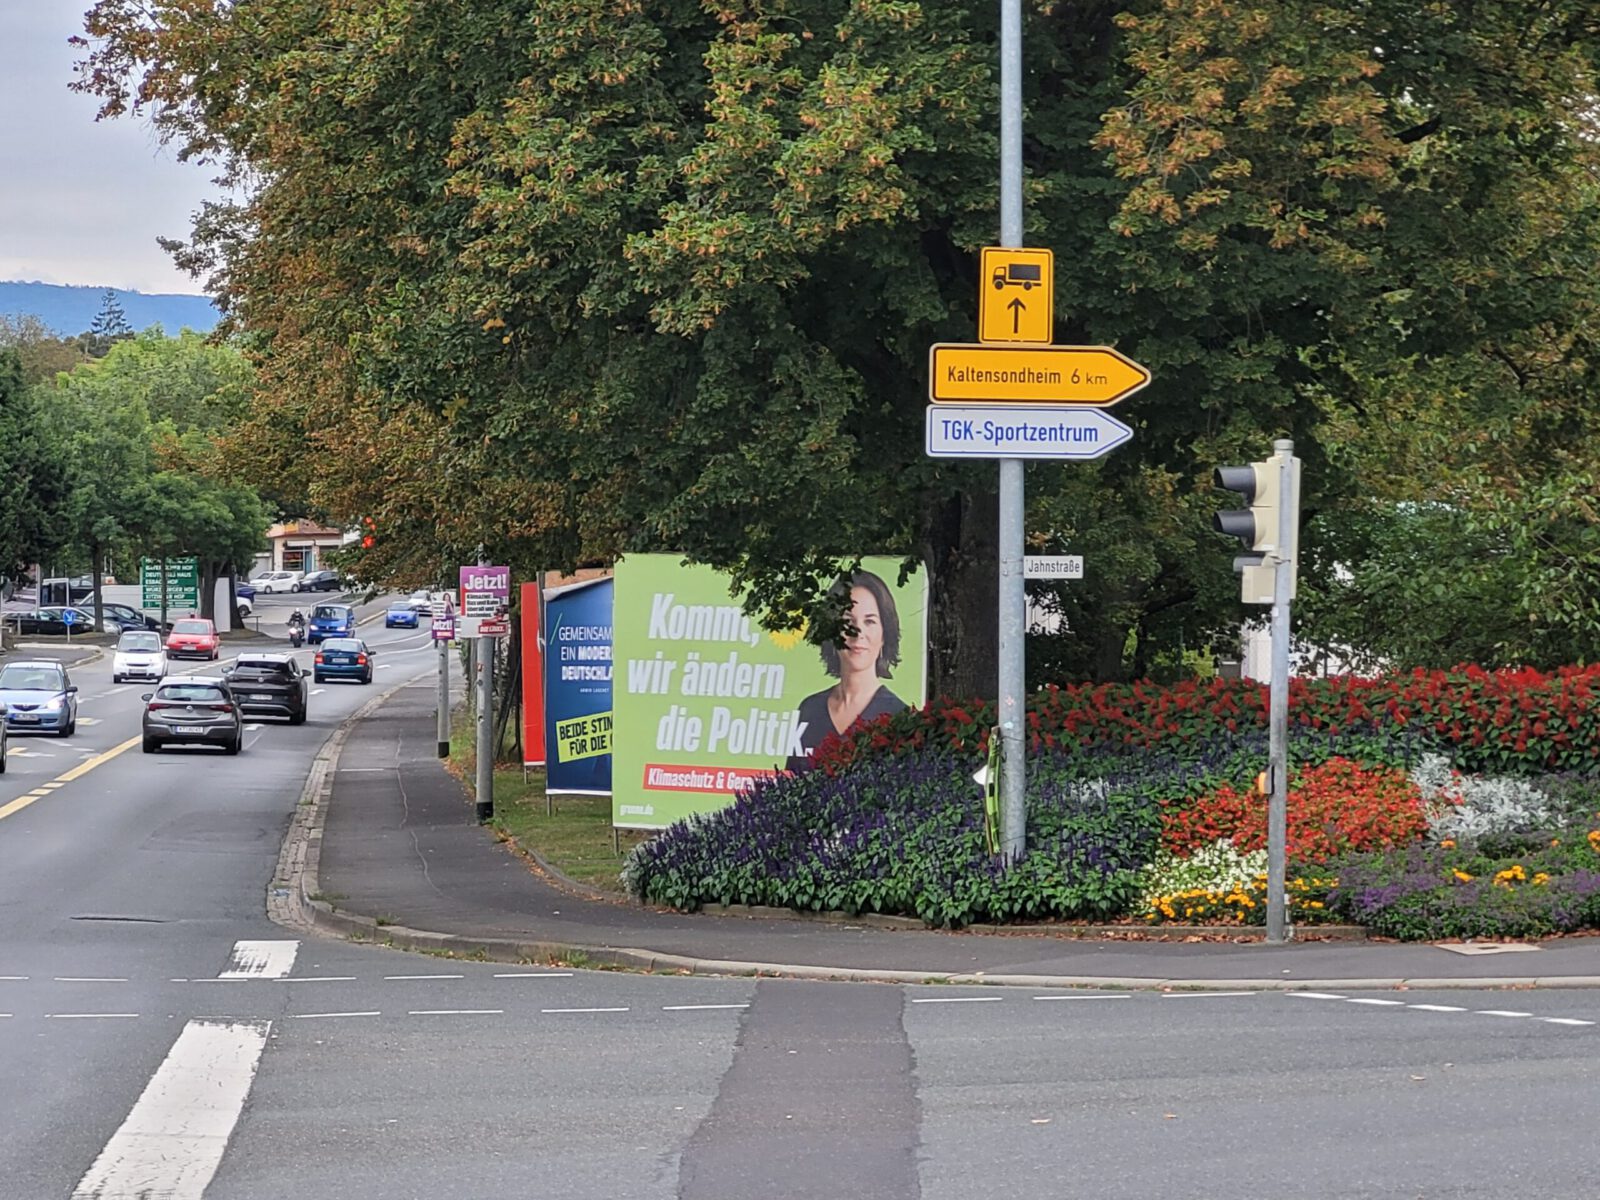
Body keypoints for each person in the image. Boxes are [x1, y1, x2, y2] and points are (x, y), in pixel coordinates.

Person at [786, 570, 907, 771]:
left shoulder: (900, 717)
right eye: (847, 621)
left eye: (870, 621)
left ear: (885, 634)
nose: (858, 633)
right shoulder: (809, 709)